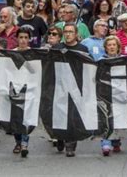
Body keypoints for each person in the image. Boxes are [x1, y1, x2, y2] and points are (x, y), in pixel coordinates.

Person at [52, 22, 89, 157]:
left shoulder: (83, 49)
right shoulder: (57, 48)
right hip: (59, 86)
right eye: (66, 32)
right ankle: (60, 137)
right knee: (60, 115)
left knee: (73, 116)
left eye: (71, 32)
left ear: (76, 34)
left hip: (76, 88)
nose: (68, 34)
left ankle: (71, 144)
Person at [99, 36, 123, 156]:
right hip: (105, 94)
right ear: (105, 48)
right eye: (109, 45)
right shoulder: (100, 61)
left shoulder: (124, 60)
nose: (112, 47)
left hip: (120, 93)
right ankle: (105, 143)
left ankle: (116, 141)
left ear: (118, 47)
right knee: (106, 118)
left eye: (114, 45)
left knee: (118, 118)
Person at [12, 27, 32, 157]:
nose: (23, 40)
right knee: (16, 117)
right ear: (17, 39)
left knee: (27, 117)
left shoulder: (34, 53)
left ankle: (25, 143)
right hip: (15, 89)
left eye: (26, 38)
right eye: (21, 37)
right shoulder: (12, 53)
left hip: (30, 89)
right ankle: (18, 141)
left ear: (29, 39)